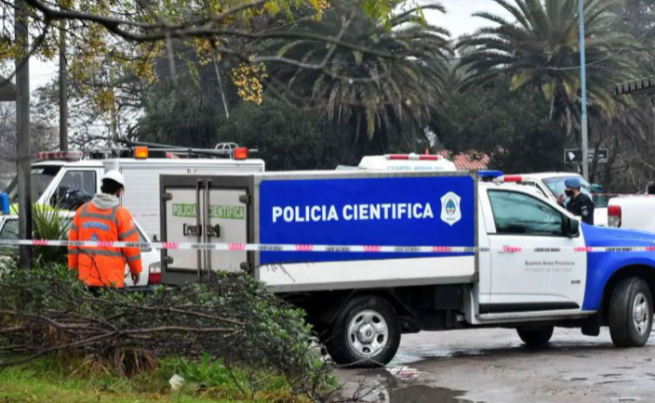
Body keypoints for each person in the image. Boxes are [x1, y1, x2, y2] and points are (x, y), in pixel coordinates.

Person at [68, 170, 142, 293]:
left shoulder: (82, 211)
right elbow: (131, 247)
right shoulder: (121, 214)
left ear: (102, 187)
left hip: (86, 279)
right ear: (120, 191)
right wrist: (136, 270)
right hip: (111, 280)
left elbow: (72, 246)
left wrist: (73, 271)